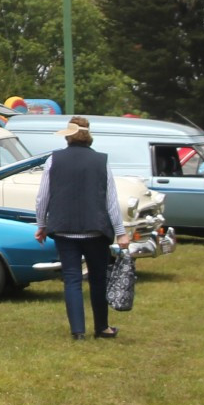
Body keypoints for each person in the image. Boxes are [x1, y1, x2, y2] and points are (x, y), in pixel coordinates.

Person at [34, 118, 130, 340]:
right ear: (89, 135)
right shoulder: (101, 161)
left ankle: (78, 331)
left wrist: (41, 225)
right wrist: (121, 231)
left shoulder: (53, 160)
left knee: (72, 279)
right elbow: (111, 201)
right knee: (98, 279)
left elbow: (42, 197)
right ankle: (102, 327)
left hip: (64, 230)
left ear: (68, 135)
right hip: (95, 230)